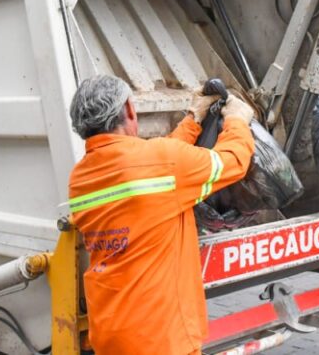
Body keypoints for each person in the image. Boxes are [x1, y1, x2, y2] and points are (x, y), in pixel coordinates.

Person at [67, 75, 256, 354]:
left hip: (110, 331)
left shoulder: (80, 178)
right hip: (162, 337)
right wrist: (237, 120)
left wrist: (193, 119)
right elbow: (233, 161)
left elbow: (156, 162)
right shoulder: (160, 163)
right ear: (130, 110)